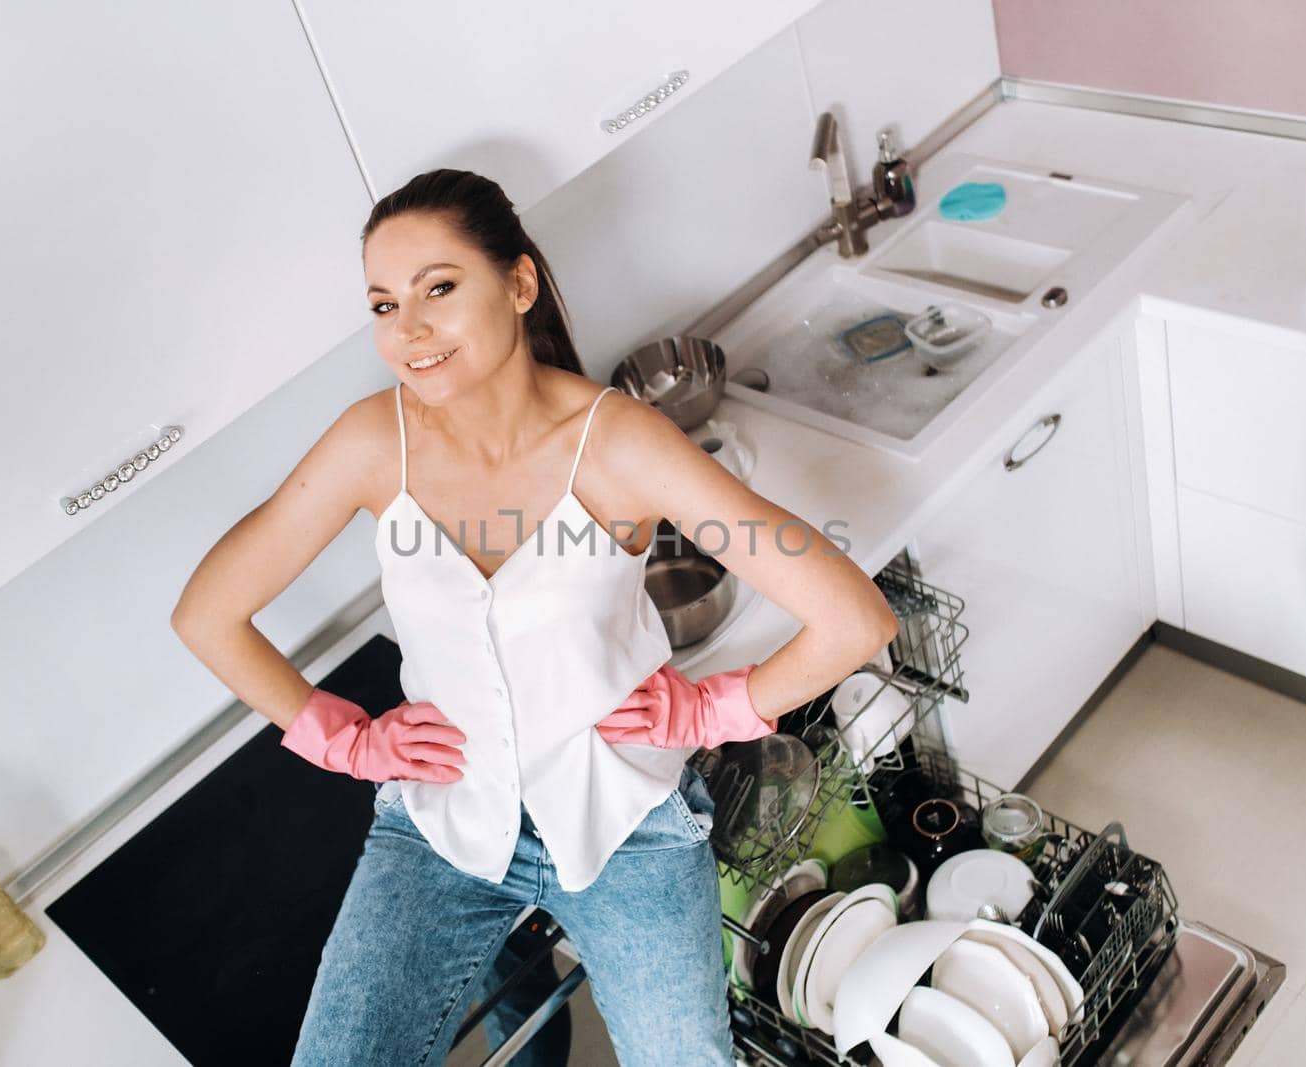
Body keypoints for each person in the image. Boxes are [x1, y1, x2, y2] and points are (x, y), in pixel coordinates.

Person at [170, 168, 899, 1066]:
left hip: (627, 816)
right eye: (385, 304)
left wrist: (717, 709)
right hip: (439, 823)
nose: (410, 331)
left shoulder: (622, 443)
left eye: (439, 288)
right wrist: (343, 739)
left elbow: (853, 619)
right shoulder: (371, 443)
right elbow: (209, 613)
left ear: (518, 285)